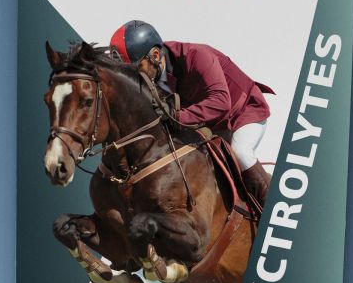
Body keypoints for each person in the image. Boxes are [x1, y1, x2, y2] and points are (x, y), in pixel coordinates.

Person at [109, 20, 274, 207]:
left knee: (241, 152)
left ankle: (269, 209)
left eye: (136, 69)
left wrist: (176, 116)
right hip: (210, 124)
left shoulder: (197, 56)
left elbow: (221, 103)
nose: (135, 78)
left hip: (243, 112)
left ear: (155, 55)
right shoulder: (151, 74)